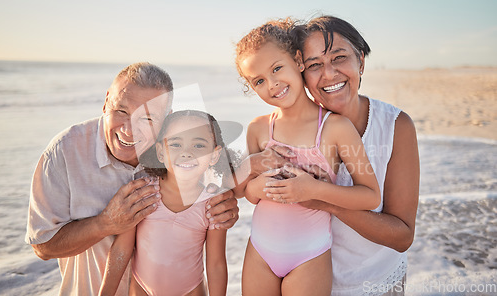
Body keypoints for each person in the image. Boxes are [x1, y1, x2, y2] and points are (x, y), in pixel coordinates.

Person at [25, 62, 239, 296]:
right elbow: (43, 247)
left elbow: (213, 176)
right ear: (106, 101)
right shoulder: (64, 151)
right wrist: (106, 222)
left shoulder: (176, 154)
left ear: (165, 120)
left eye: (147, 119)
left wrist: (228, 201)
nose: (129, 129)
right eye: (121, 111)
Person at [248, 16, 420, 295]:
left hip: (374, 282)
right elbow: (224, 181)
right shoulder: (276, 129)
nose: (328, 75)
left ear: (360, 61)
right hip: (301, 279)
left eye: (339, 58)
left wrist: (323, 199)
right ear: (300, 69)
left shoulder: (394, 126)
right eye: (315, 65)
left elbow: (402, 236)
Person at [100, 110, 239, 296]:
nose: (186, 153)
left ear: (214, 155)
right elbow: (121, 249)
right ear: (160, 152)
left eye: (198, 145)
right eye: (175, 144)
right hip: (141, 290)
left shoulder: (213, 205)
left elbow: (215, 264)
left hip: (192, 291)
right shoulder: (143, 193)